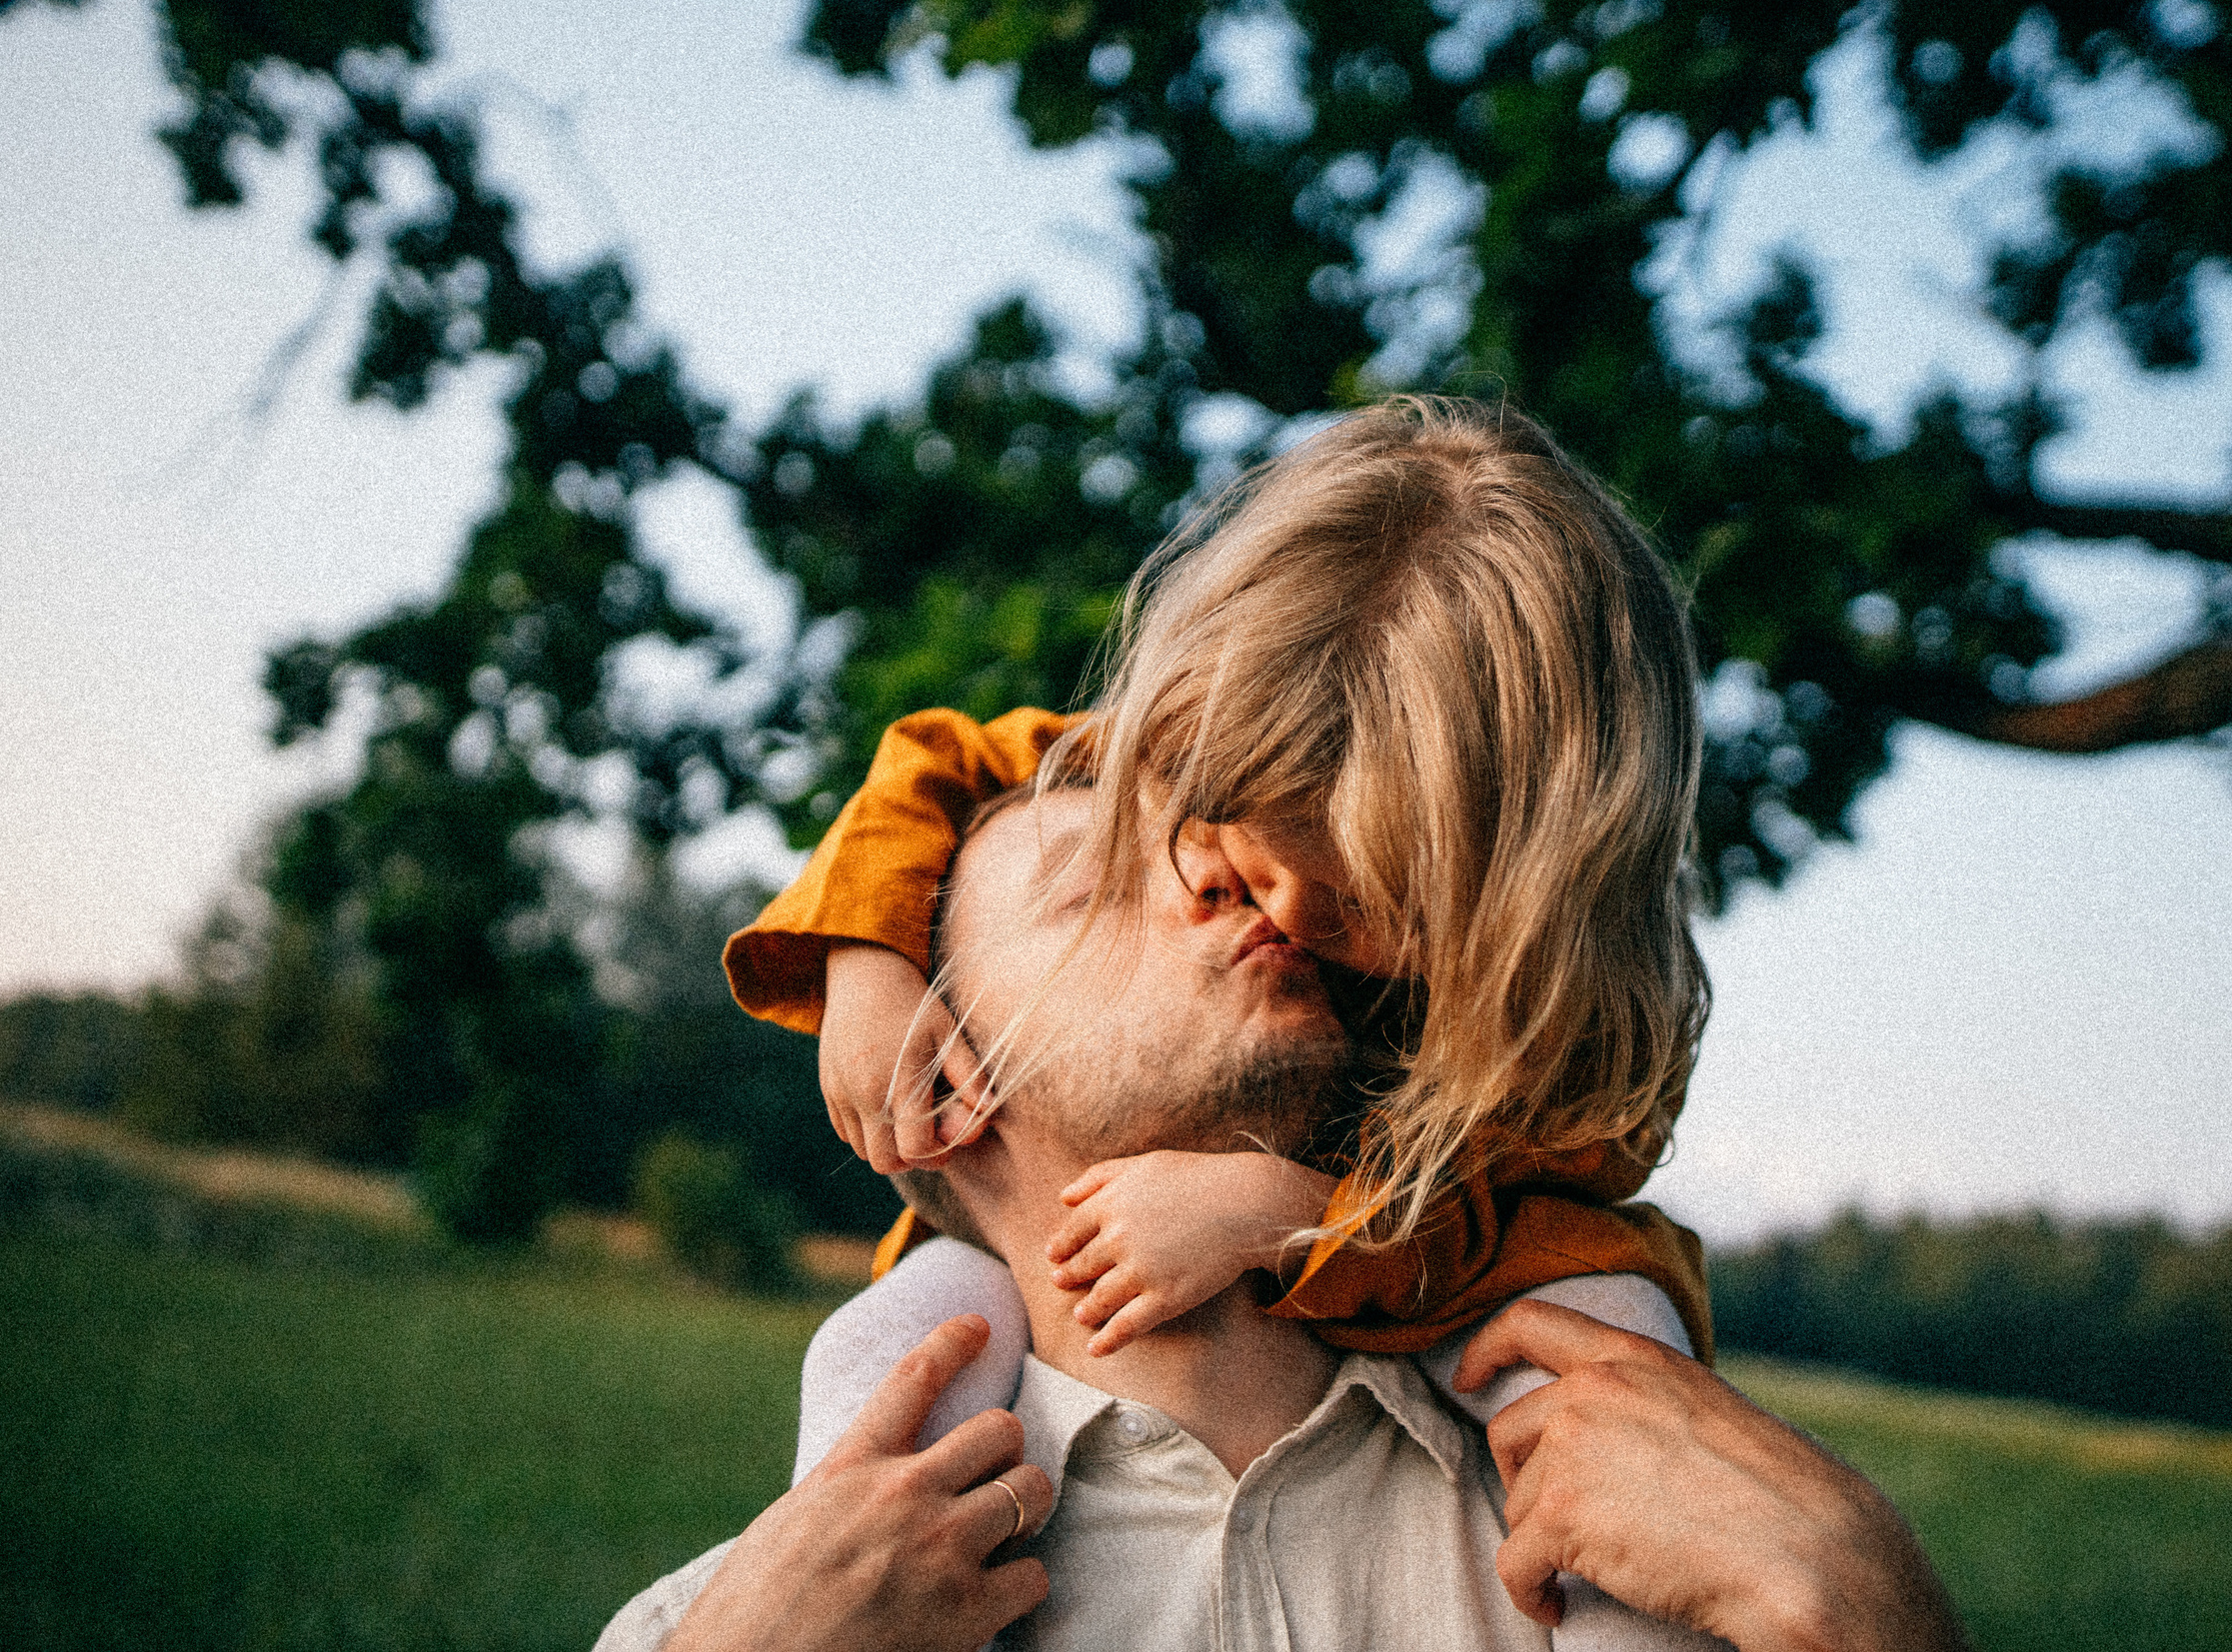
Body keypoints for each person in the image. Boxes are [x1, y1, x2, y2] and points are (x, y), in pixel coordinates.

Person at [601, 786, 1965, 1651]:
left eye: (1197, 839)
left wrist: (1877, 1622)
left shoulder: (1648, 1537)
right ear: (946, 1080)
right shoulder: (738, 1626)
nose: (1223, 877)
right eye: (1089, 885)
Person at [725, 396, 1715, 1465]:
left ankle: (1620, 1541)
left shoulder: (1571, 1055)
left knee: (1610, 1337)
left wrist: (1285, 1210)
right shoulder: (1226, 736)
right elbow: (940, 761)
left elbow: (1501, 1234)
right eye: (1239, 845)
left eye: (1361, 905)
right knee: (903, 1331)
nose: (1278, 911)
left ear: (1525, 910)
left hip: (1443, 1250)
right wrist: (867, 961)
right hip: (1017, 1280)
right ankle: (859, 1534)